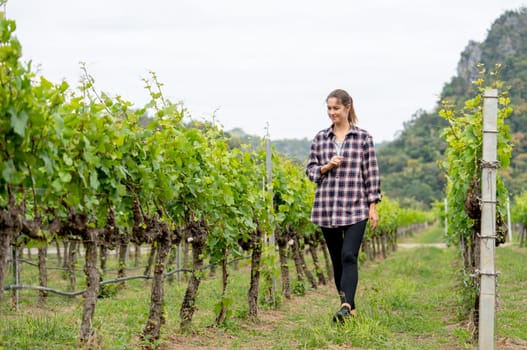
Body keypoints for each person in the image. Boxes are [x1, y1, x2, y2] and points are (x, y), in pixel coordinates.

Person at [306, 88, 381, 323]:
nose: (332, 113)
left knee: (349, 255)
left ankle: (346, 305)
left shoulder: (363, 138)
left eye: (336, 108)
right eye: (329, 108)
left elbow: (371, 173)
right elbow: (310, 172)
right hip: (327, 207)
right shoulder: (320, 138)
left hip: (356, 207)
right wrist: (326, 167)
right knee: (337, 259)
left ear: (347, 108)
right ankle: (349, 307)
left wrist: (373, 206)